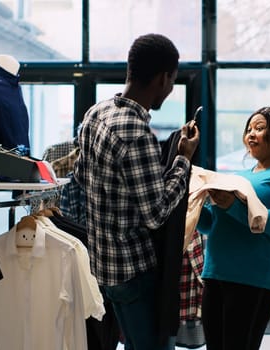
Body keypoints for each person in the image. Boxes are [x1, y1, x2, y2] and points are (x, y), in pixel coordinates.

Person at [72, 33, 200, 350]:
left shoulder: (96, 113)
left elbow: (79, 176)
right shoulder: (136, 130)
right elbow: (155, 214)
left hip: (102, 263)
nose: (169, 90)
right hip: (133, 269)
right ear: (163, 77)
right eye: (171, 82)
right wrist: (183, 159)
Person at [196, 106, 270, 350]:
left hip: (254, 278)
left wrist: (232, 206)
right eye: (249, 129)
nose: (251, 134)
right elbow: (211, 226)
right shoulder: (239, 176)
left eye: (259, 128)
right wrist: (193, 204)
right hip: (215, 274)